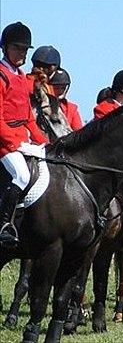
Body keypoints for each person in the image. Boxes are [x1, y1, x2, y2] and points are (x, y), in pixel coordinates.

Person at [0, 22, 49, 248]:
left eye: (24, 49)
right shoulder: (1, 76)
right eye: (17, 48)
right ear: (5, 47)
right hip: (4, 141)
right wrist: (15, 143)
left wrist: (44, 142)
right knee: (21, 174)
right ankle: (4, 225)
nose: (22, 53)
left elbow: (29, 117)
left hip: (21, 138)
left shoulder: (20, 76)